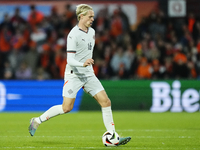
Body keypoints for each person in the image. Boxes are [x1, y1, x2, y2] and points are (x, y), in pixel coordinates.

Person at [28, 4, 131, 146]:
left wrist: (89, 64)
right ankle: (37, 121)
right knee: (66, 108)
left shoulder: (92, 32)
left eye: (93, 17)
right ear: (81, 16)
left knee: (106, 102)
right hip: (74, 74)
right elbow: (69, 59)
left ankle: (113, 136)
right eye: (90, 16)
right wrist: (82, 63)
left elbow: (87, 52)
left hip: (88, 74)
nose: (93, 19)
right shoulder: (73, 35)